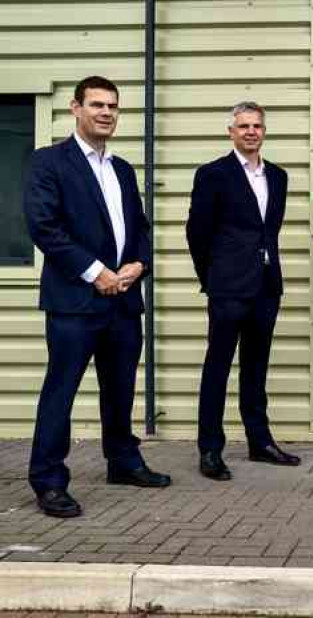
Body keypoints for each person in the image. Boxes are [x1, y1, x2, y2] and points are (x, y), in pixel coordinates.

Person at [23, 75, 171, 518]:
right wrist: (96, 272)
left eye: (112, 106)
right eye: (97, 105)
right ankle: (48, 480)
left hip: (123, 302)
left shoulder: (122, 169)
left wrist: (139, 265)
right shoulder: (48, 162)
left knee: (121, 388)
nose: (106, 113)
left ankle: (122, 461)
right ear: (75, 108)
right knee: (61, 391)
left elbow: (140, 228)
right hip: (74, 302)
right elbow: (44, 227)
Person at [186, 101, 300, 481]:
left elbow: (269, 231)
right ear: (231, 131)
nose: (251, 131)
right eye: (244, 126)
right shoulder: (213, 174)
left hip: (266, 287)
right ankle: (210, 450)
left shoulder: (279, 177)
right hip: (227, 287)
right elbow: (197, 232)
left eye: (257, 126)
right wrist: (213, 276)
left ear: (264, 131)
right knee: (217, 367)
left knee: (256, 366)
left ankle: (259, 442)